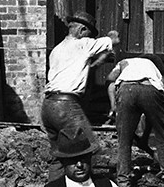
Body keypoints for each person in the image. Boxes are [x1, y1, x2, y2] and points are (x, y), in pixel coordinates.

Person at [42, 12, 119, 171]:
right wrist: (112, 33)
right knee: (90, 147)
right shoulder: (83, 44)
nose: (89, 37)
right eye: (89, 34)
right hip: (66, 106)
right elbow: (115, 39)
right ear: (82, 30)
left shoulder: (57, 50)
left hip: (48, 106)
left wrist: (98, 61)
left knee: (61, 156)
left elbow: (76, 72)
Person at [105, 55, 164, 187]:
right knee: (161, 134)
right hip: (151, 88)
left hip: (126, 90)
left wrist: (113, 106)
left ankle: (123, 184)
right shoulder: (155, 70)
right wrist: (148, 133)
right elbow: (154, 117)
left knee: (124, 140)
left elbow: (110, 81)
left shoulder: (123, 62)